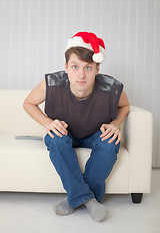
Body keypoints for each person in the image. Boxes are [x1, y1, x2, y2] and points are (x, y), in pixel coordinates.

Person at [23, 32, 130, 222]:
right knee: (55, 139)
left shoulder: (111, 87)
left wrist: (115, 124)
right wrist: (48, 122)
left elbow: (125, 106)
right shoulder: (52, 84)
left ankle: (74, 200)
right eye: (75, 67)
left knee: (109, 143)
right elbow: (28, 103)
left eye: (88, 67)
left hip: (96, 133)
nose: (81, 75)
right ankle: (89, 201)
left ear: (97, 69)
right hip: (65, 133)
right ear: (66, 67)